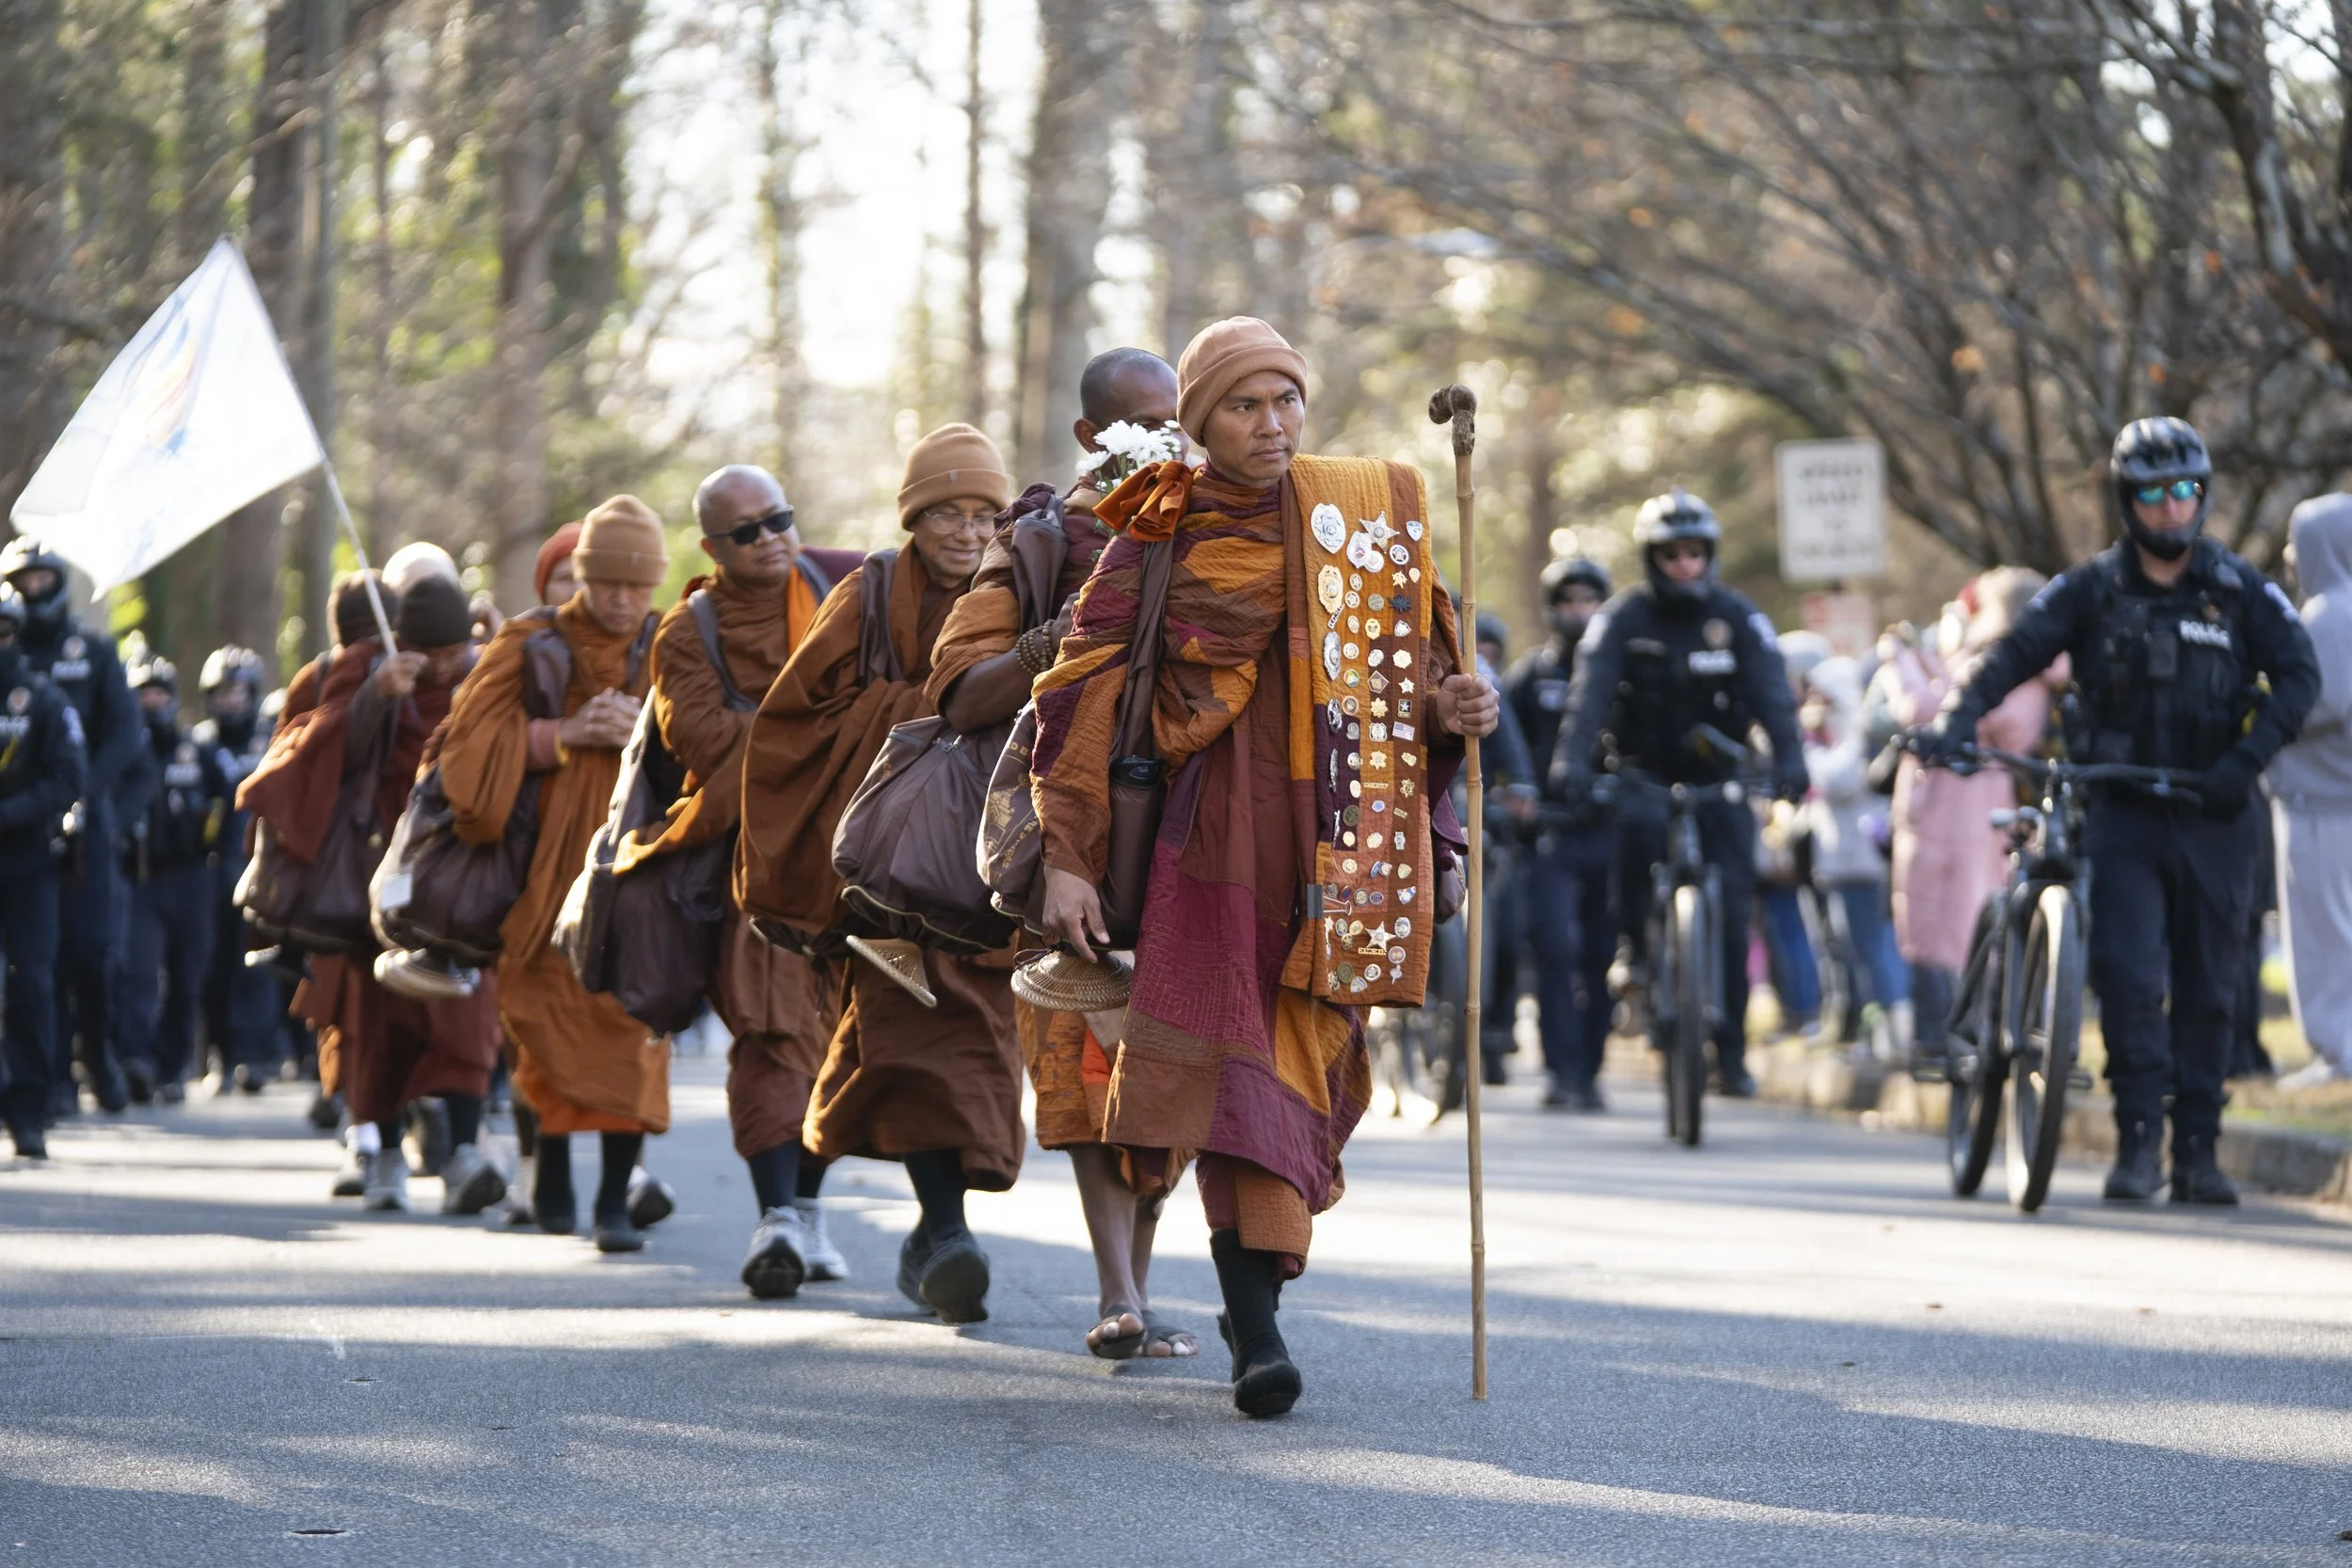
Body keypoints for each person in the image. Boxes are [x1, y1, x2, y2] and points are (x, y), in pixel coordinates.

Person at [1030, 317, 1500, 1417]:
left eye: (1285, 398)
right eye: (1244, 405)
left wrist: (1456, 708)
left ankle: (1252, 1311)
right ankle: (1257, 1330)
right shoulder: (1154, 531)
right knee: (1238, 1071)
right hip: (1204, 855)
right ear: (1198, 423)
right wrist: (1065, 858)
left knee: (1298, 1062)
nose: (1271, 423)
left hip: (1338, 844)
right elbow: (1078, 696)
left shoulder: (1362, 520)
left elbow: (1419, 676)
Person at [1919, 418, 2319, 1204]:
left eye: (2185, 493)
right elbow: (2008, 657)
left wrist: (2245, 762)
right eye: (2153, 496)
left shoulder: (2239, 589)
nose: (2171, 509)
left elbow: (2301, 677)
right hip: (2123, 809)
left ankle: (2197, 1151)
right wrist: (1957, 721)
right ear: (2125, 501)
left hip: (2216, 808)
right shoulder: (2090, 589)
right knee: (2131, 979)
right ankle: (2138, 1144)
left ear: (2201, 497)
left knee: (2211, 986)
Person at [925, 347, 1199, 1358]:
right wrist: (1064, 640)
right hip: (1064, 833)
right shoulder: (1041, 542)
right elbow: (957, 692)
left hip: (1187, 833)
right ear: (1092, 437)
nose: (1166, 439)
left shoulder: (1220, 520)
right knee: (1084, 1058)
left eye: (1179, 420)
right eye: (1143, 423)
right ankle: (1116, 1289)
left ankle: (1147, 1276)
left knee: (1172, 1062)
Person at [737, 423, 1017, 1325]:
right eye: (946, 514)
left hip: (990, 862)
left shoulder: (1021, 585)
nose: (969, 533)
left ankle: (839, 1200)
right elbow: (791, 721)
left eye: (985, 514)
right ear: (913, 518)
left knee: (946, 1044)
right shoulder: (868, 594)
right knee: (914, 1029)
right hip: (890, 867)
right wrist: (927, 715)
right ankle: (943, 1230)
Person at [629, 463, 862, 1296]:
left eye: (779, 519)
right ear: (710, 547)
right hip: (753, 862)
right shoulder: (687, 631)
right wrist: (824, 731)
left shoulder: (847, 590)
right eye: (747, 532)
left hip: (850, 858)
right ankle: (776, 1214)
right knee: (770, 1031)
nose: (770, 540)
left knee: (838, 1036)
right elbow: (700, 738)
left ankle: (806, 1207)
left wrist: (797, 729)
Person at [435, 498, 672, 1249]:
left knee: (633, 1022)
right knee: (544, 1015)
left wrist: (644, 727)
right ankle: (557, 1169)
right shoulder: (530, 640)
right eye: (607, 585)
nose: (623, 601)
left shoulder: (673, 640)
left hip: (639, 865)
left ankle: (612, 1198)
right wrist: (558, 733)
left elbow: (721, 731)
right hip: (542, 873)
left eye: (638, 587)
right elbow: (464, 749)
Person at [251, 575, 506, 1213]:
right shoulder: (370, 668)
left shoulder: (483, 674)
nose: (446, 667)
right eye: (436, 655)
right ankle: (385, 1152)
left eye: (457, 654)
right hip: (378, 880)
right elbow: (313, 751)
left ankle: (463, 1152)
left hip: (456, 877)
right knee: (379, 1021)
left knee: (467, 1012)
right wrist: (372, 698)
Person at [1553, 490, 1807, 1099]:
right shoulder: (1622, 617)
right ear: (1652, 557)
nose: (1686, 564)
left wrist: (1792, 762)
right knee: (1634, 843)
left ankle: (1734, 1053)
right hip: (1642, 774)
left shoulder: (1740, 617)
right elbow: (1587, 697)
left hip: (1721, 780)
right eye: (1673, 553)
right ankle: (1637, 953)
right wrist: (1570, 763)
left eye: (1696, 552)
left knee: (1733, 904)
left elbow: (1774, 696)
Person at [1882, 572, 2062, 1072]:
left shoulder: (2014, 665)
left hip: (1970, 805)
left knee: (1967, 925)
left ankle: (1971, 1042)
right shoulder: (2019, 663)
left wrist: (1900, 664)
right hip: (1951, 805)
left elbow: (1925, 709)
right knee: (1952, 924)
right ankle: (1956, 1039)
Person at [0, 536, 142, 1118]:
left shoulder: (95, 649)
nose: (34, 591)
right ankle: (49, 1079)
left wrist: (81, 790)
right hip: (23, 829)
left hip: (83, 816)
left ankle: (97, 1049)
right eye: (22, 582)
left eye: (42, 580)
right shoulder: (10, 650)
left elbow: (125, 733)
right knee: (38, 961)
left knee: (88, 948)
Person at [1505, 556, 1615, 1109]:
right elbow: (1502, 746)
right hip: (1549, 837)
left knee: (1600, 953)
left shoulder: (1623, 673)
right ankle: (1560, 1069)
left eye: (1589, 600)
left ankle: (1590, 1071)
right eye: (1569, 601)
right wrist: (1514, 797)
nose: (1580, 612)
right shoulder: (1530, 676)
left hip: (1610, 834)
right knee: (1554, 949)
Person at [116, 650, 231, 1104]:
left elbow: (233, 803)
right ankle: (136, 1060)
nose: (152, 701)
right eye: (143, 694)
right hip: (141, 877)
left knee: (187, 975)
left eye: (160, 692)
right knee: (139, 973)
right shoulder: (123, 754)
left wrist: (226, 860)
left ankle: (172, 1065)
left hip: (192, 878)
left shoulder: (200, 752)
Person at [2267, 494, 2352, 1090]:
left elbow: (2317, 702)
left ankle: (2338, 1049)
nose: (2290, 556)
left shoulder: (2329, 616)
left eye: (2299, 541)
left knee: (2323, 935)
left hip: (2321, 803)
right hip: (2330, 798)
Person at [0, 589, 87, 1158]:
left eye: (3, 631)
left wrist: (11, 813)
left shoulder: (47, 701)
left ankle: (28, 1111)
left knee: (31, 983)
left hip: (29, 863)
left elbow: (69, 777)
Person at [1797, 657, 1908, 1061]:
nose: (1812, 702)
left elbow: (1836, 781)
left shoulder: (1859, 731)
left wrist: (1808, 749)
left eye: (1820, 695)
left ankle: (1888, 1035)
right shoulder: (1838, 735)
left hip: (1860, 862)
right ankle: (1876, 1033)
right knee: (1856, 950)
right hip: (1841, 861)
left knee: (1870, 951)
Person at [194, 646, 280, 1093]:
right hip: (211, 871)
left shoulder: (270, 740)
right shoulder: (201, 745)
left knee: (256, 965)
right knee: (213, 965)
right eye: (222, 693)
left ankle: (253, 1058)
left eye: (238, 692)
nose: (230, 701)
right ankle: (218, 1056)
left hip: (260, 868)